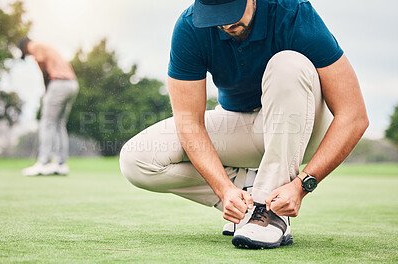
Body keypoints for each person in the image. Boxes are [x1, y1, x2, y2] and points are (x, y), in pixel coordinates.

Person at [119, 0, 368, 249]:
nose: (226, 23)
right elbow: (189, 125)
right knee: (136, 159)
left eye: (232, 11)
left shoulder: (293, 12)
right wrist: (224, 189)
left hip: (303, 126)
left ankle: (270, 213)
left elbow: (354, 115)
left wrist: (302, 184)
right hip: (239, 124)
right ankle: (251, 200)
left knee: (289, 64)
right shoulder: (190, 25)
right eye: (216, 14)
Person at [18, 37, 79, 176]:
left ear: (23, 47)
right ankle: (60, 164)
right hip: (72, 84)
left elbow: (44, 69)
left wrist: (47, 90)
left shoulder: (33, 46)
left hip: (58, 83)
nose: (27, 55)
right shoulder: (46, 46)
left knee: (47, 123)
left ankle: (43, 163)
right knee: (59, 124)